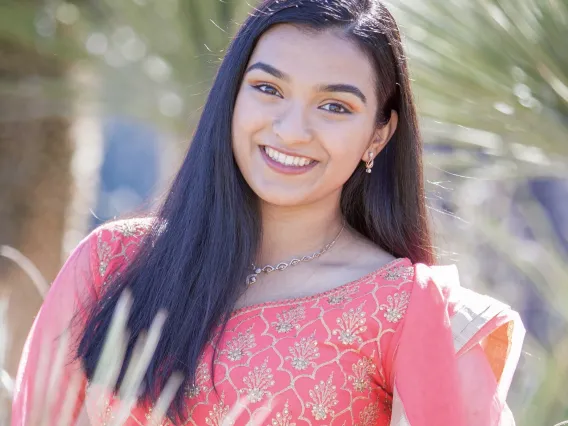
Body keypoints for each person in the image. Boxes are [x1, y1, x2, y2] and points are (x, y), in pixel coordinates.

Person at [11, 0, 525, 425]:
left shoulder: (405, 309)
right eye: (268, 89)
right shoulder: (113, 263)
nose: (291, 130)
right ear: (231, 98)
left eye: (334, 106)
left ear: (379, 133)